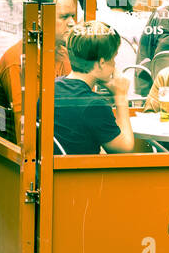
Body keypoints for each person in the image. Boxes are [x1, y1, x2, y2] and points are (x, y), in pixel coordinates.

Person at [0, 0, 77, 141]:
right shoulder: (19, 61)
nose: (72, 23)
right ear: (40, 19)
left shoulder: (64, 52)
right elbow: (27, 128)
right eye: (64, 17)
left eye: (73, 16)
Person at [54, 21, 135, 154]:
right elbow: (125, 148)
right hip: (85, 173)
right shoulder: (94, 104)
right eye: (113, 58)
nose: (115, 64)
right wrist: (121, 96)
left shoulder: (54, 86)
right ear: (101, 63)